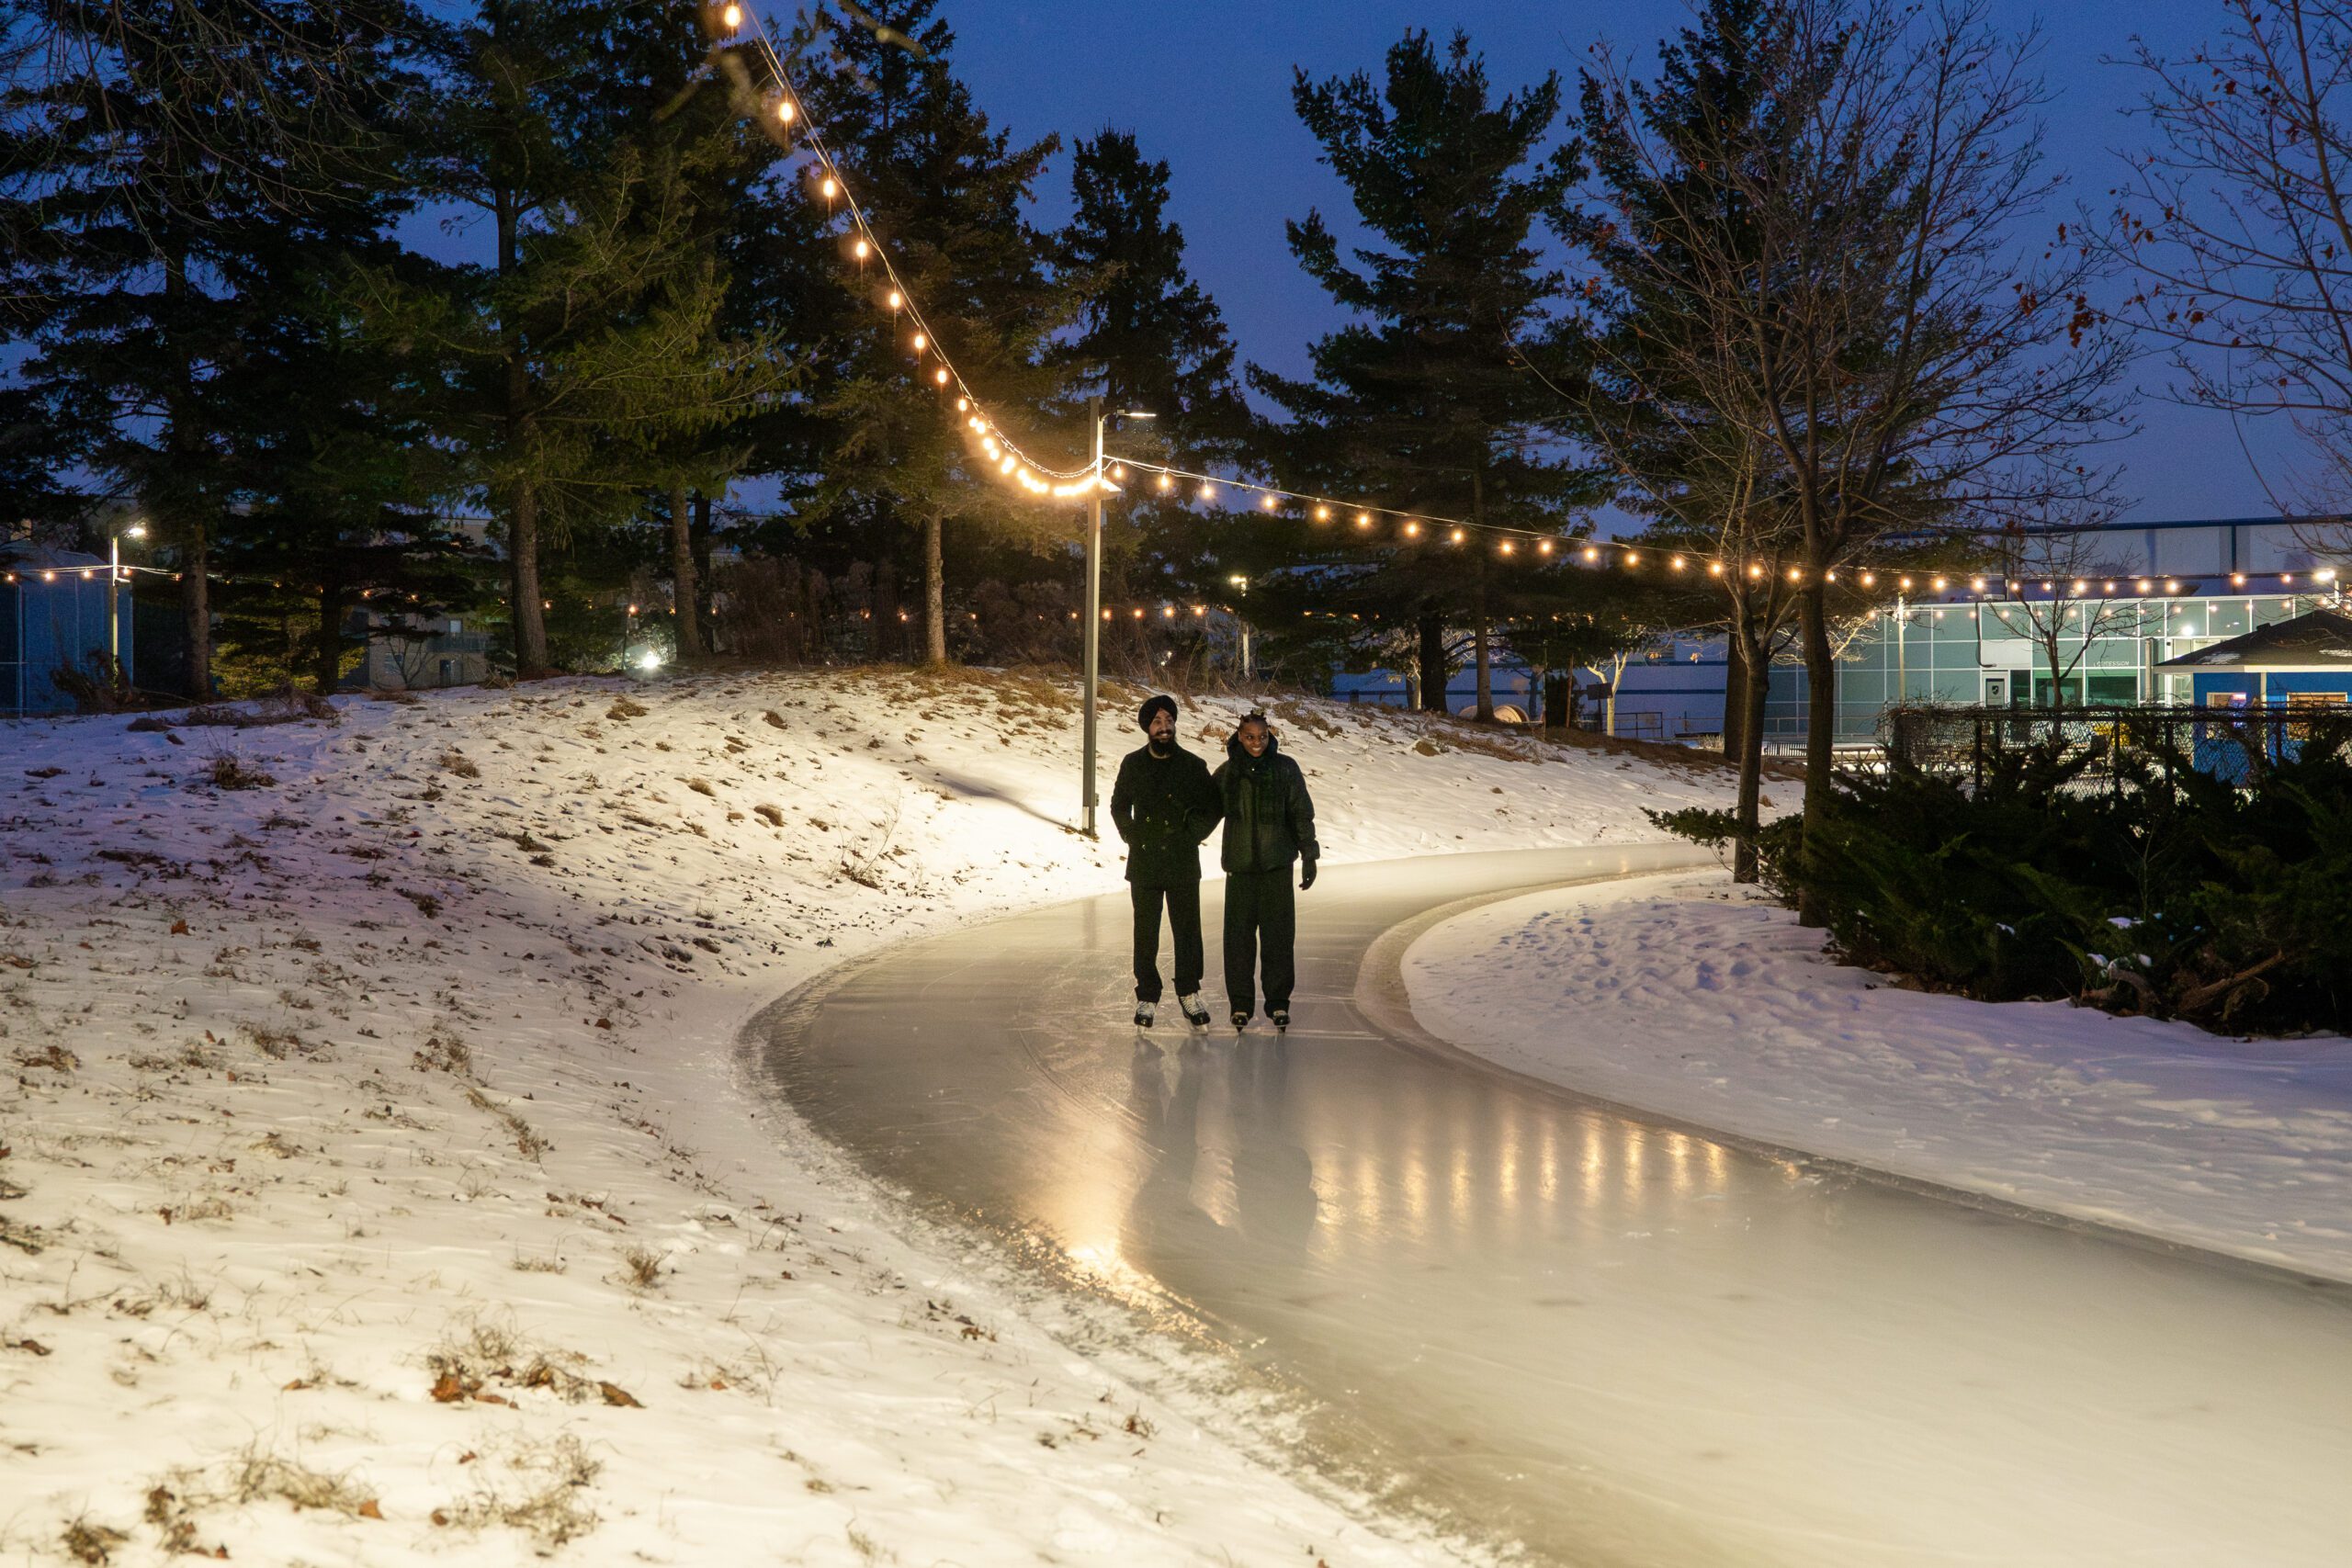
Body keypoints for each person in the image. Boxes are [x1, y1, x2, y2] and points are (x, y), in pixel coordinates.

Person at [1109, 694, 1220, 1029]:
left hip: (1182, 860)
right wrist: (1131, 835)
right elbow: (1118, 805)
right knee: (1146, 932)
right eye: (1158, 722)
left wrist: (1191, 835)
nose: (1164, 727)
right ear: (1147, 727)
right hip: (1144, 860)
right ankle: (1147, 995)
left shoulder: (1192, 765)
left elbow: (1213, 807)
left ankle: (1189, 991)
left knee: (1187, 930)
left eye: (1169, 721)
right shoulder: (1132, 764)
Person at [1213, 711, 1317, 1032]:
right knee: (1238, 941)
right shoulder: (1228, 773)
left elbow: (1301, 813)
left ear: (1270, 736)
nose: (1256, 743)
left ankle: (1278, 1003)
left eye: (1262, 737)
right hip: (1240, 869)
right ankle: (1241, 1004)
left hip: (1276, 867)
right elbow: (1205, 810)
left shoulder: (1286, 769)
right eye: (1250, 737)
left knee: (1278, 940)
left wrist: (1308, 855)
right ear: (1239, 737)